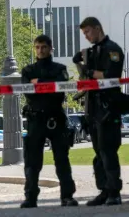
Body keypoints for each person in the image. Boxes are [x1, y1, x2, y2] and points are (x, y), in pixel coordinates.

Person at [21, 34, 78, 209]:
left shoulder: (60, 68)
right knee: (32, 162)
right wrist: (45, 84)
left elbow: (59, 90)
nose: (40, 50)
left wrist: (39, 83)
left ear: (51, 49)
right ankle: (30, 197)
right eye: (37, 47)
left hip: (55, 118)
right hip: (35, 119)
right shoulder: (28, 71)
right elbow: (28, 92)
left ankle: (67, 196)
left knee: (62, 159)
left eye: (44, 47)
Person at [73, 16, 124, 206]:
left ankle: (114, 192)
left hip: (108, 107)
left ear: (97, 28)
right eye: (84, 33)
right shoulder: (92, 52)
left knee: (108, 151)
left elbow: (111, 75)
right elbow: (85, 79)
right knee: (98, 152)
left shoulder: (113, 50)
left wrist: (89, 72)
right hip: (93, 106)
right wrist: (80, 64)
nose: (86, 36)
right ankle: (104, 189)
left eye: (87, 32)